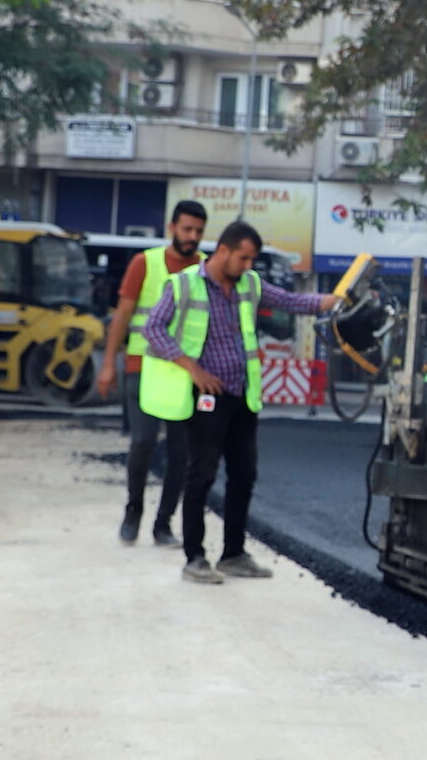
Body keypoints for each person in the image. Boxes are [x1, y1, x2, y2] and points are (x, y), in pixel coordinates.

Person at [141, 222, 341, 584]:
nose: (248, 265)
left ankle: (233, 554)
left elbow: (290, 301)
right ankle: (195, 558)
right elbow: (152, 329)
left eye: (252, 259)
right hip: (207, 397)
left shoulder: (249, 284)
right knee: (201, 475)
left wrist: (333, 302)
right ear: (223, 251)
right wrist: (193, 369)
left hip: (242, 395)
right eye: (243, 257)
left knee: (244, 474)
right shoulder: (184, 284)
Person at [97, 200, 205, 546]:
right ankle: (133, 512)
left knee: (180, 452)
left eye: (199, 231)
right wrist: (108, 365)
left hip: (185, 374)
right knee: (142, 442)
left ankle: (163, 523)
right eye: (187, 229)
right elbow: (123, 316)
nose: (192, 237)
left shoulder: (205, 269)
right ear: (172, 228)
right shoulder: (145, 263)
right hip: (142, 367)